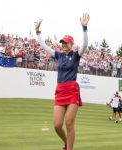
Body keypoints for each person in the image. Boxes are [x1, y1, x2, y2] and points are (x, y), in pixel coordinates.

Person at [35, 13, 90, 150]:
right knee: (57, 125)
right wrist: (38, 32)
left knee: (69, 123)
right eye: (62, 42)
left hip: (72, 90)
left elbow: (85, 44)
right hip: (60, 90)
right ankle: (67, 143)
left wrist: (84, 28)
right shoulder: (58, 55)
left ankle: (69, 148)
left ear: (71, 44)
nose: (63, 44)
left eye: (66, 42)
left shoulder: (76, 55)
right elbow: (43, 46)